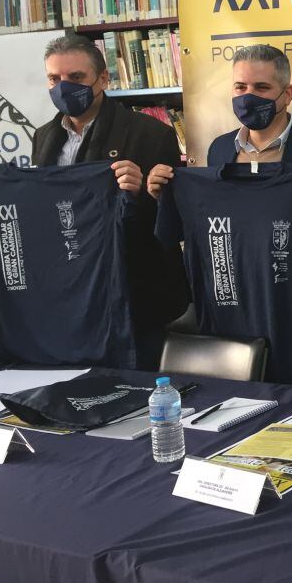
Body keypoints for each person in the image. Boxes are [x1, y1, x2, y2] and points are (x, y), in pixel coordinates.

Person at [32, 34, 188, 368]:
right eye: (54, 79)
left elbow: (172, 219)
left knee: (140, 387)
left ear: (103, 78)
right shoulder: (44, 136)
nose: (64, 87)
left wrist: (141, 194)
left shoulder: (150, 133)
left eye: (76, 78)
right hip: (75, 290)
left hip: (135, 289)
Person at [146, 44, 292, 204]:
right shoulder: (220, 149)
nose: (248, 97)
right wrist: (167, 194)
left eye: (261, 87)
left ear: (287, 94)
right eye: (240, 87)